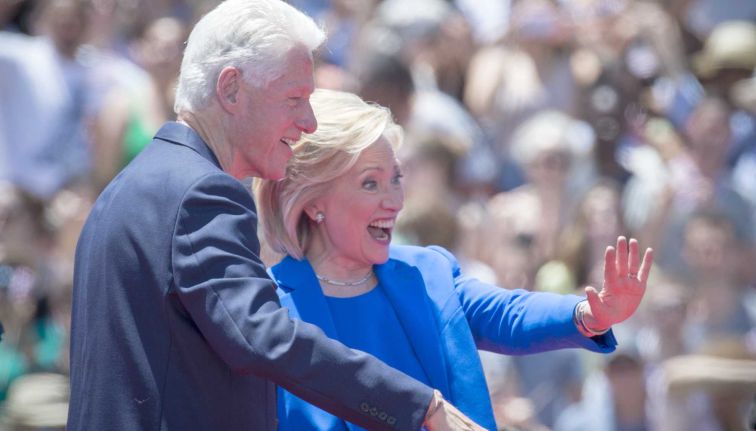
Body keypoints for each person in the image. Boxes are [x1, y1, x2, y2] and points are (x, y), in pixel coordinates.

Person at [67, 1, 483, 430]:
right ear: (231, 89)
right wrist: (418, 406)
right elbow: (265, 337)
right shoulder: (201, 193)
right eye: (295, 98)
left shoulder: (129, 187)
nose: (308, 122)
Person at [255, 89, 655, 431]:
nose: (394, 201)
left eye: (396, 178)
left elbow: (507, 313)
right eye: (370, 183)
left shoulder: (427, 272)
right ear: (314, 202)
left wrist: (590, 312)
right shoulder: (269, 307)